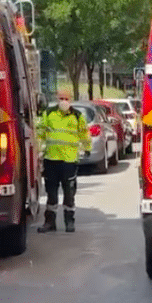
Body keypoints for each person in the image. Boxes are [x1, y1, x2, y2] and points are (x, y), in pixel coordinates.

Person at [36, 90, 90, 234]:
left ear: (70, 99)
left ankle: (69, 221)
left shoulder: (77, 116)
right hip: (51, 159)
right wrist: (39, 150)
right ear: (56, 99)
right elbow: (40, 132)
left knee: (69, 193)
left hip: (69, 160)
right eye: (61, 98)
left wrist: (87, 148)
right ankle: (49, 222)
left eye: (66, 98)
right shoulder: (49, 114)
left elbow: (84, 133)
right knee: (51, 193)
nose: (63, 101)